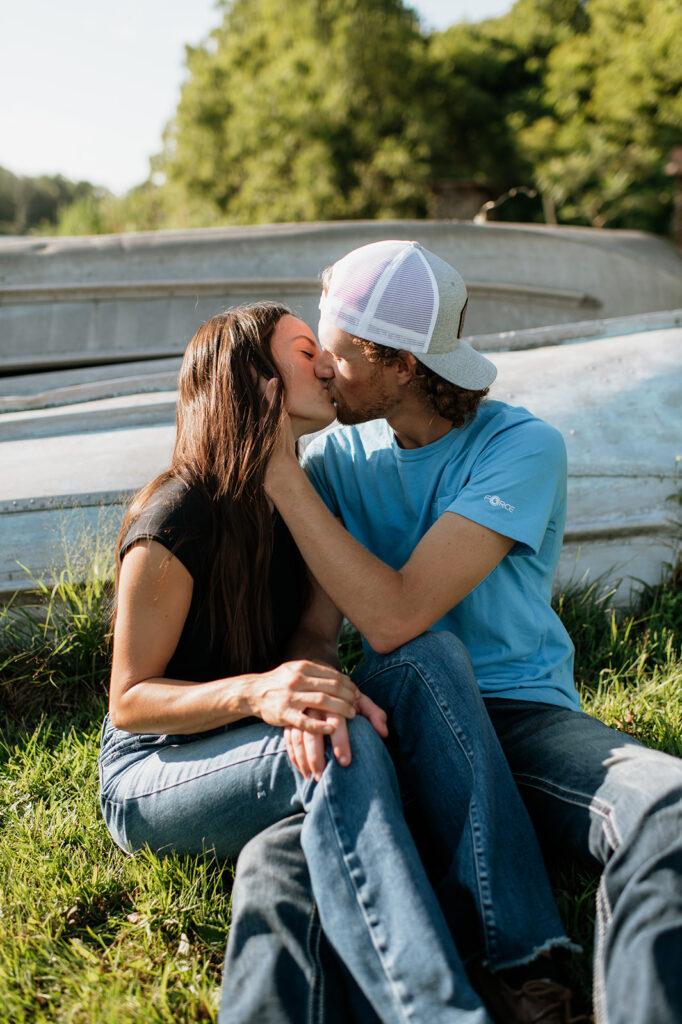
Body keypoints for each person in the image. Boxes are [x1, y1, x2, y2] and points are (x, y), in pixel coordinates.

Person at [228, 239, 682, 1024]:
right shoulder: (336, 461)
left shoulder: (520, 447)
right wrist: (313, 693)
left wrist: (282, 476)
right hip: (402, 727)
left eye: (336, 354)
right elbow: (315, 630)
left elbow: (399, 615)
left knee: (668, 807)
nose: (324, 369)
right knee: (275, 865)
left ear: (404, 365)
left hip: (521, 718)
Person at [97, 303, 576, 1024]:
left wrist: (312, 681)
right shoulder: (177, 516)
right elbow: (130, 700)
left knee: (422, 661)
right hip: (157, 768)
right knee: (331, 747)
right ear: (252, 381)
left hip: (259, 741)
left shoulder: (310, 501)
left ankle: (526, 965)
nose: (327, 363)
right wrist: (263, 692)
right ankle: (434, 1011)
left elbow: (318, 640)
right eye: (303, 351)